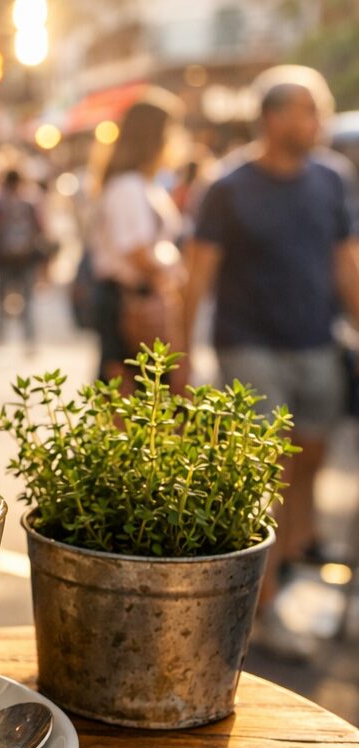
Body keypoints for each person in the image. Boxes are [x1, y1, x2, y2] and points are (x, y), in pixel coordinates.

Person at [181, 65, 359, 595]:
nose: (317, 121)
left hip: (316, 342)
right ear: (272, 117)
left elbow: (345, 261)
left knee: (313, 454)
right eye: (309, 110)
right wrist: (181, 354)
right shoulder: (228, 186)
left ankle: (298, 550)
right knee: (269, 467)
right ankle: (265, 596)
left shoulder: (331, 179)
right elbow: (198, 276)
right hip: (248, 345)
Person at [86, 88, 185, 385]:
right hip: (130, 303)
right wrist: (170, 273)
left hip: (136, 300)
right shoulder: (128, 187)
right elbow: (136, 251)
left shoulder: (140, 184)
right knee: (132, 397)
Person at [0, 168, 48, 348]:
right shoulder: (30, 202)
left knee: (0, 300)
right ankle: (29, 340)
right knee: (28, 300)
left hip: (4, 257)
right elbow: (40, 228)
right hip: (26, 257)